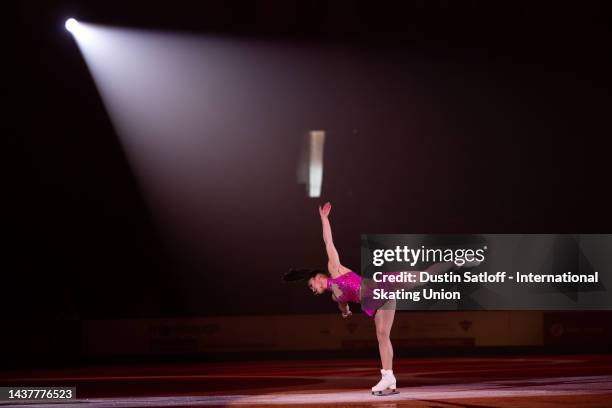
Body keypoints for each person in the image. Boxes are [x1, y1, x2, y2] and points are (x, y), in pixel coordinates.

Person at [283, 202, 471, 396]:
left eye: (311, 286)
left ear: (317, 277)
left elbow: (328, 243)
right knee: (382, 335)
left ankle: (457, 262)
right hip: (376, 302)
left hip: (381, 285)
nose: (313, 290)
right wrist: (345, 312)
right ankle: (388, 377)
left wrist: (324, 219)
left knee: (424, 278)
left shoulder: (335, 269)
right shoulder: (335, 295)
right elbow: (344, 306)